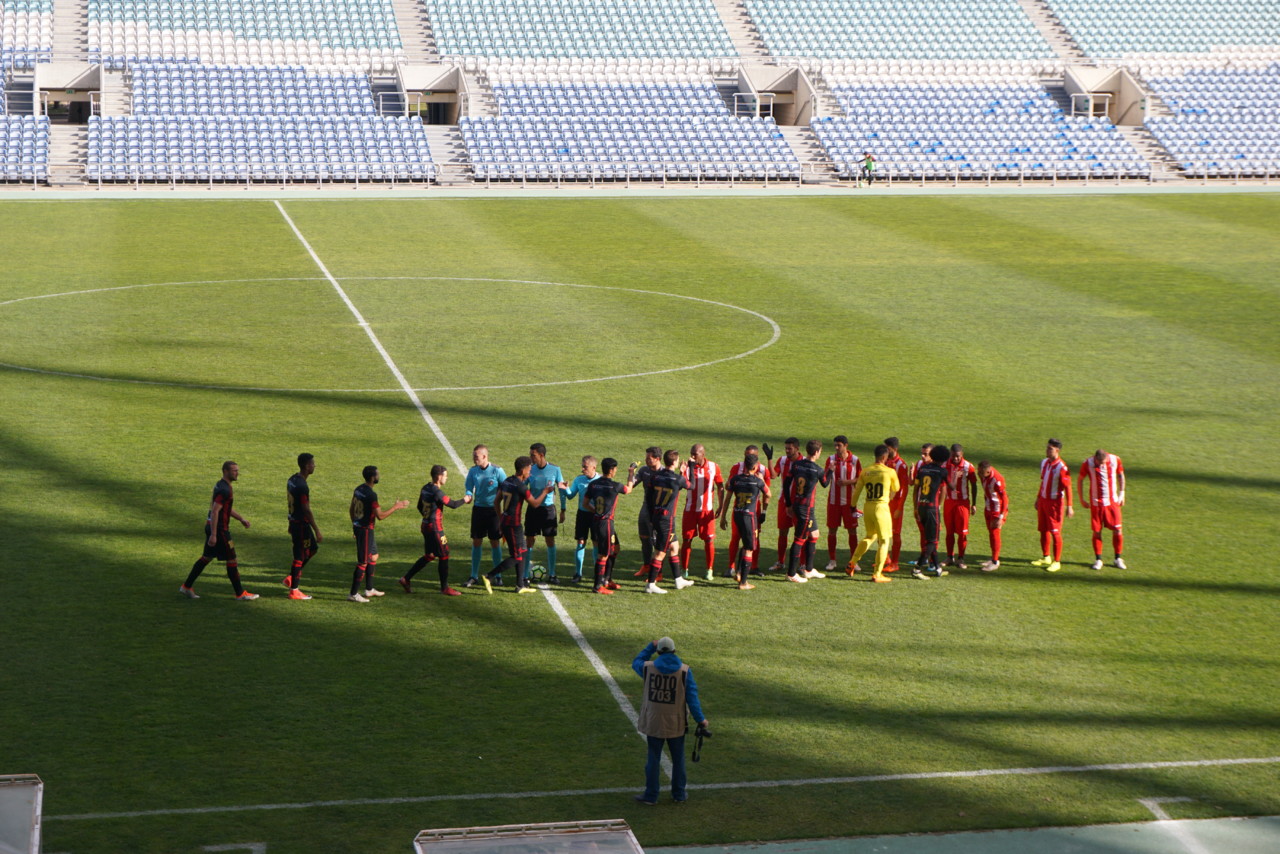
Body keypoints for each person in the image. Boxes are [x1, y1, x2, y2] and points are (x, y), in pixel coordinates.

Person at [632, 636, 708, 805]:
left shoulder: (647, 668)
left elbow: (636, 661)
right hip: (676, 722)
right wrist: (701, 720)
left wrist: (649, 647)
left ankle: (651, 795)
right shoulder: (684, 671)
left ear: (659, 651)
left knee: (653, 758)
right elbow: (692, 699)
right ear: (674, 651)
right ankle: (679, 794)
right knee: (678, 759)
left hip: (654, 721)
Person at [181, 460, 256, 600]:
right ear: (225, 471)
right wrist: (214, 535)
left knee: (206, 557)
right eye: (234, 470)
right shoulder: (225, 489)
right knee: (232, 559)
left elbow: (224, 508)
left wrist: (241, 519)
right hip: (220, 530)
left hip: (212, 526)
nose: (237, 473)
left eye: (237, 470)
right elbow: (216, 511)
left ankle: (186, 587)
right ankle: (240, 593)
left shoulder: (221, 485)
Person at [400, 465, 472, 595]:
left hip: (425, 526)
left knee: (430, 555)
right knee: (444, 554)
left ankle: (406, 579)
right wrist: (465, 499)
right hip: (435, 528)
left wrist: (427, 517)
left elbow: (418, 506)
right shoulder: (436, 491)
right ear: (439, 477)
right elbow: (453, 504)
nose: (447, 477)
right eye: (445, 475)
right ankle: (445, 588)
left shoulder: (425, 488)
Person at [487, 456, 556, 594]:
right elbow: (535, 504)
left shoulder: (507, 481)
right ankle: (489, 576)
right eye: (529, 469)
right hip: (514, 525)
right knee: (516, 556)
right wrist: (545, 492)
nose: (530, 472)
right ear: (523, 470)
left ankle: (520, 585)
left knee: (523, 551)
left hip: (506, 522)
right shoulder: (521, 487)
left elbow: (496, 501)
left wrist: (501, 519)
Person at [348, 465, 410, 602]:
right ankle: (353, 594)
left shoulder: (358, 489)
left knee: (374, 556)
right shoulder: (371, 495)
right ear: (372, 477)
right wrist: (396, 506)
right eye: (377, 474)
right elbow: (380, 516)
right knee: (362, 562)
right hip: (365, 530)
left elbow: (351, 509)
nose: (378, 476)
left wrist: (354, 526)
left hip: (361, 528)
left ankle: (369, 589)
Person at [847, 444, 901, 583]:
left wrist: (853, 506)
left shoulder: (865, 471)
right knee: (884, 541)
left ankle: (852, 562)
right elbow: (897, 488)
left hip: (868, 507)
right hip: (881, 507)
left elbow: (857, 491)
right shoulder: (889, 472)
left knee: (870, 536)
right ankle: (877, 574)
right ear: (884, 457)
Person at [583, 458, 638, 594]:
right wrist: (631, 473)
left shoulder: (593, 484)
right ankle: (597, 586)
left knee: (615, 549)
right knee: (603, 555)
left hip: (597, 521)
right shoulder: (615, 486)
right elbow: (629, 489)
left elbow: (585, 503)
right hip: (606, 523)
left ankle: (607, 580)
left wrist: (595, 511)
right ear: (612, 470)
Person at [643, 449, 693, 594]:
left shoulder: (656, 477)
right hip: (666, 520)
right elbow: (691, 486)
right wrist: (691, 468)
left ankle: (678, 580)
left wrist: (652, 515)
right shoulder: (678, 479)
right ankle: (651, 584)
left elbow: (649, 497)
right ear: (676, 462)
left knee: (674, 547)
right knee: (660, 552)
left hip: (656, 516)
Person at [719, 453, 770, 590]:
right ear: (754, 466)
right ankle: (743, 583)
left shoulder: (735, 480)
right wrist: (762, 481)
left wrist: (723, 516)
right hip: (749, 517)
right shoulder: (757, 481)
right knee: (749, 548)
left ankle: (739, 573)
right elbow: (768, 494)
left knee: (744, 543)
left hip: (737, 515)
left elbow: (728, 498)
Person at [784, 439, 831, 582]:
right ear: (816, 452)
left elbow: (786, 485)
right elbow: (825, 483)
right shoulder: (817, 469)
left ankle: (809, 570)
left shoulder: (796, 465)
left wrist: (788, 504)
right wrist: (831, 470)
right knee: (799, 540)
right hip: (805, 509)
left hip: (798, 505)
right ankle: (791, 574)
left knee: (814, 534)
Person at [679, 443, 724, 582]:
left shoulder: (713, 467)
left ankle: (709, 569)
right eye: (691, 453)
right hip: (690, 510)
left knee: (709, 540)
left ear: (703, 454)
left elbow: (720, 486)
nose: (692, 457)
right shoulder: (686, 467)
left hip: (707, 510)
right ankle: (684, 569)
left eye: (695, 454)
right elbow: (679, 485)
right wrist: (681, 472)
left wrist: (721, 506)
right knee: (687, 540)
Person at [464, 445, 506, 587]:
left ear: (484, 456)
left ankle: (498, 575)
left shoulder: (497, 470)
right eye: (473, 456)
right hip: (478, 510)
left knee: (495, 542)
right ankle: (473, 575)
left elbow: (506, 489)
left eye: (476, 456)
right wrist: (468, 495)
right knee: (477, 541)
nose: (474, 458)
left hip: (493, 512)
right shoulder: (473, 471)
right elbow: (469, 487)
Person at [525, 443, 567, 583]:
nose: (531, 457)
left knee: (550, 540)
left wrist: (563, 510)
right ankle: (525, 574)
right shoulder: (530, 470)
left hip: (548, 510)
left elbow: (561, 490)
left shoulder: (555, 470)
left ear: (541, 455)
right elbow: (523, 488)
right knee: (529, 540)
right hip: (532, 509)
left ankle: (553, 573)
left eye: (533, 455)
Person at [1078, 449, 1126, 570]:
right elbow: (1080, 479)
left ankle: (1118, 558)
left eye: (1104, 463)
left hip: (1112, 503)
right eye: (1099, 463)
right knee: (1097, 531)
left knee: (1118, 530)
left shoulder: (1115, 459)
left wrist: (1122, 493)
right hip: (1096, 504)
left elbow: (1120, 475)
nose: (1102, 465)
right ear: (1095, 459)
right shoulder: (1088, 463)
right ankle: (1098, 559)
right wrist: (1082, 499)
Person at [283, 452, 322, 600]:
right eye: (312, 463)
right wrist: (317, 530)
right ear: (306, 466)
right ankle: (294, 590)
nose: (314, 466)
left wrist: (289, 521)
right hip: (300, 525)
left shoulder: (292, 479)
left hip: (294, 522)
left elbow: (290, 504)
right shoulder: (302, 486)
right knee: (299, 556)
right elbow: (306, 510)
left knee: (312, 549)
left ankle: (291, 578)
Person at [1032, 439, 1074, 573]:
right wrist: (1038, 498)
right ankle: (1046, 557)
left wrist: (1070, 506)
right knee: (1043, 530)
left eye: (1050, 449)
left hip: (1055, 503)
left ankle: (1057, 561)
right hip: (1044, 501)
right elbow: (1043, 482)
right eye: (1047, 448)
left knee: (1055, 532)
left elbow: (1068, 488)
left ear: (1057, 450)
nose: (1047, 450)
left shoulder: (1062, 467)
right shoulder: (1044, 463)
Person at [823, 435, 862, 572]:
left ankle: (853, 561)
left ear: (846, 445)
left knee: (852, 530)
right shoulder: (831, 459)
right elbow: (825, 479)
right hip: (833, 502)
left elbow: (860, 478)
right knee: (832, 530)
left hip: (850, 502)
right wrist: (829, 470)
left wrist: (848, 482)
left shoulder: (855, 460)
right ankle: (832, 560)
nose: (836, 448)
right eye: (835, 445)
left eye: (839, 445)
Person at [911, 445, 950, 579]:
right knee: (933, 541)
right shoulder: (942, 471)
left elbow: (915, 488)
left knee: (929, 539)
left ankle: (937, 568)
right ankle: (917, 569)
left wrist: (915, 508)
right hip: (932, 509)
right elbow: (948, 488)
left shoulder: (922, 468)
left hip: (921, 506)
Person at [563, 455, 602, 584]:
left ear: (593, 467)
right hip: (583, 515)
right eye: (582, 466)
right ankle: (578, 573)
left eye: (585, 467)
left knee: (596, 543)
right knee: (581, 542)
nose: (582, 469)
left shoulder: (601, 480)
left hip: (596, 516)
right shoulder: (579, 480)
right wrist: (565, 489)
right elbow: (570, 496)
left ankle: (597, 573)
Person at [943, 443, 979, 569]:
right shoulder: (944, 465)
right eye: (953, 456)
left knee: (962, 533)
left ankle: (961, 558)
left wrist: (974, 503)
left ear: (962, 455)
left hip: (963, 503)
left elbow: (974, 485)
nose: (956, 458)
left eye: (958, 456)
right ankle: (949, 556)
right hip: (949, 502)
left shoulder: (968, 467)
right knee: (949, 532)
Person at [767, 437, 801, 570]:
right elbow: (773, 475)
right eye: (786, 448)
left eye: (790, 448)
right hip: (784, 502)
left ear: (797, 449)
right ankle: (780, 562)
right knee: (783, 532)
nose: (787, 451)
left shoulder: (803, 462)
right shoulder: (782, 460)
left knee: (800, 534)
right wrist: (769, 458)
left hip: (799, 503)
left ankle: (801, 564)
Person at [883, 437, 912, 572]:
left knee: (896, 534)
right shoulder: (884, 461)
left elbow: (905, 488)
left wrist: (900, 508)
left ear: (894, 449)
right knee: (882, 531)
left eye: (887, 448)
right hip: (884, 502)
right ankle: (886, 558)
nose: (885, 450)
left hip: (895, 504)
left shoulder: (901, 465)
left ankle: (895, 563)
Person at [977, 460, 1008, 572]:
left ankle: (995, 561)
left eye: (981, 472)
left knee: (995, 534)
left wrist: (1001, 516)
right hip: (988, 507)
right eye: (978, 471)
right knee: (991, 532)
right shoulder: (982, 475)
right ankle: (993, 558)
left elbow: (1005, 498)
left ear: (988, 471)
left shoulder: (997, 479)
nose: (979, 474)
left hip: (997, 509)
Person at [910, 443, 935, 556]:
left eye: (926, 454)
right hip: (921, 505)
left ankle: (931, 561)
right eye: (922, 453)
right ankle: (923, 557)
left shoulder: (938, 467)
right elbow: (913, 485)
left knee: (932, 534)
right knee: (922, 532)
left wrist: (938, 505)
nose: (922, 456)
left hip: (932, 507)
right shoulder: (919, 464)